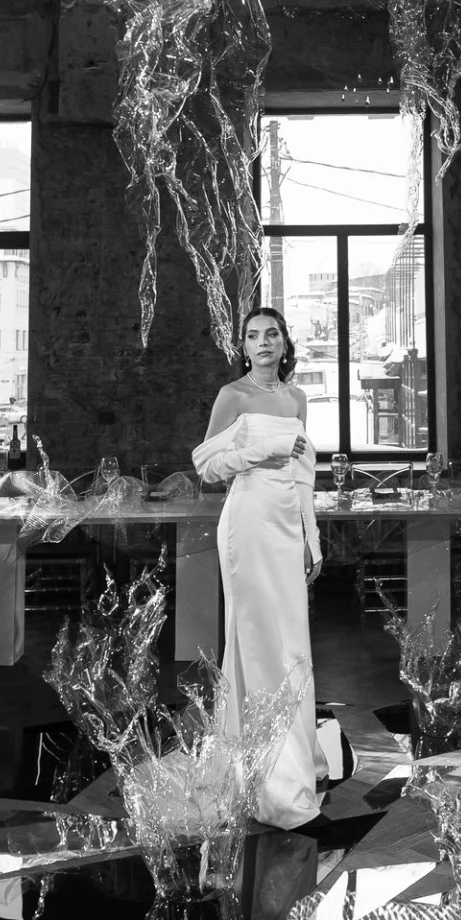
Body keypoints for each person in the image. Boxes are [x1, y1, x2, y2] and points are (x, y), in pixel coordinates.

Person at [191, 306, 322, 829]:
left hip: (289, 526)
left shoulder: (297, 399)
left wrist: (312, 538)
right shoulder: (233, 396)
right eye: (252, 336)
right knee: (260, 639)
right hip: (247, 523)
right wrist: (261, 450)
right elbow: (205, 466)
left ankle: (286, 755)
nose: (263, 342)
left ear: (285, 343)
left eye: (272, 334)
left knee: (293, 640)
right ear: (243, 347)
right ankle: (273, 777)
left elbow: (304, 474)